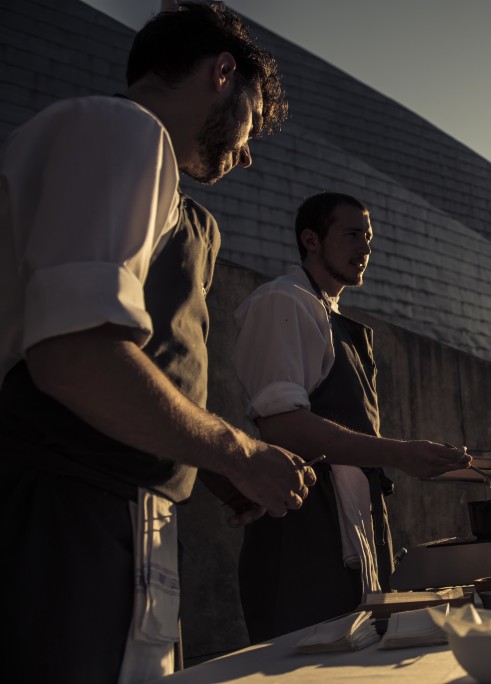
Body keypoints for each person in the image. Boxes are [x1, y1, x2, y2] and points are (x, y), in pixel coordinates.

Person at [0, 3, 317, 683]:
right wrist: (239, 450)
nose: (249, 150)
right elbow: (74, 354)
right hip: (62, 519)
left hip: (114, 519)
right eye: (251, 120)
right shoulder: (120, 129)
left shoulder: (150, 175)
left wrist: (203, 462)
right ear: (222, 73)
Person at [232, 192, 472, 643]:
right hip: (303, 533)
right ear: (311, 240)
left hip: (347, 534)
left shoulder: (330, 313)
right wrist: (401, 454)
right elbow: (282, 425)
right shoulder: (283, 302)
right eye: (352, 235)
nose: (365, 247)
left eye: (369, 238)